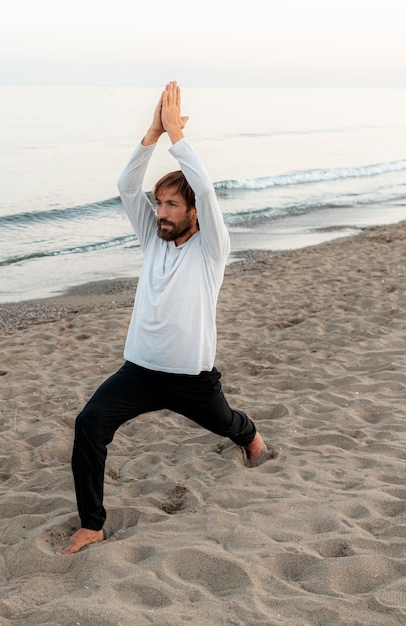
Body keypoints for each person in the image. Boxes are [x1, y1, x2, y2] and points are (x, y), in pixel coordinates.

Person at [58, 81, 275, 555]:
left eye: (172, 205)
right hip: (138, 370)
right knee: (89, 423)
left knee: (226, 422)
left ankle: (251, 437)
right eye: (159, 204)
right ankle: (92, 523)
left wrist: (178, 135)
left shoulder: (211, 249)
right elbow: (124, 186)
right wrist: (152, 133)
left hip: (189, 377)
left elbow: (210, 191)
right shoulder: (152, 237)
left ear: (194, 212)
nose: (161, 212)